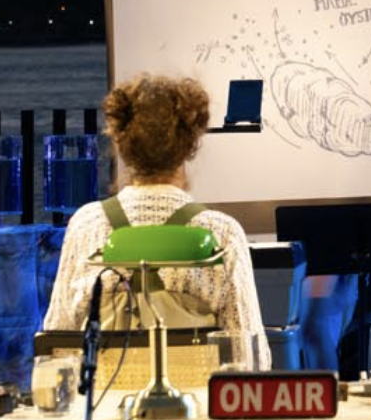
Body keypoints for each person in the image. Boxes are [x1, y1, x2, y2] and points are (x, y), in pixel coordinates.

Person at [44, 74, 271, 370]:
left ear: (120, 142)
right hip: (199, 408)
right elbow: (249, 358)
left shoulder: (86, 224)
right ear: (191, 143)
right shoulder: (222, 231)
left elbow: (57, 344)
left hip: (106, 408)